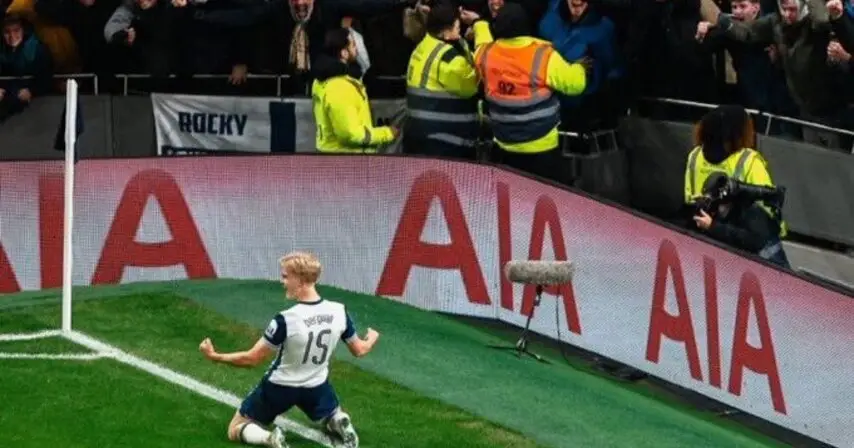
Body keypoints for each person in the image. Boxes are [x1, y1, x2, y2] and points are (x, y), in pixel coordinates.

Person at [199, 252, 381, 448]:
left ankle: (269, 438)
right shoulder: (339, 311)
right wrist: (372, 337)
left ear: (300, 279)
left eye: (286, 276)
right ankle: (337, 419)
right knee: (328, 410)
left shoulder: (286, 319)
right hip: (316, 386)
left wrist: (215, 356)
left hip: (280, 387)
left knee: (235, 428)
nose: (282, 282)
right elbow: (360, 350)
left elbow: (252, 358)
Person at [467, 3, 587, 182]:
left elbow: (481, 43)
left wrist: (479, 23)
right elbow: (575, 85)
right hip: (541, 145)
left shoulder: (485, 54)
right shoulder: (544, 56)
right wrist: (580, 67)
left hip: (504, 145)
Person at [683, 104, 787, 239]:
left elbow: (689, 197)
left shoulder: (695, 155)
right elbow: (767, 207)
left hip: (700, 231)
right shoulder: (749, 160)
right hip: (739, 238)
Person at [404, 1, 480, 159]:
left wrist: (460, 43)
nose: (459, 31)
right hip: (447, 142)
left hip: (418, 136)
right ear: (446, 31)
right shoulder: (449, 59)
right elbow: (472, 84)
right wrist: (480, 26)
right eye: (457, 27)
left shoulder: (422, 47)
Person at [311, 28, 399, 153]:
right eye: (353, 45)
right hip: (346, 159)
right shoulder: (340, 87)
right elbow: (351, 135)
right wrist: (387, 133)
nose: (356, 49)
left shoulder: (323, 80)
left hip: (335, 155)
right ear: (344, 53)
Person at [693, 174, 791, 268]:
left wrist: (713, 226)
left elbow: (750, 241)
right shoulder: (725, 214)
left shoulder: (751, 211)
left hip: (773, 265)